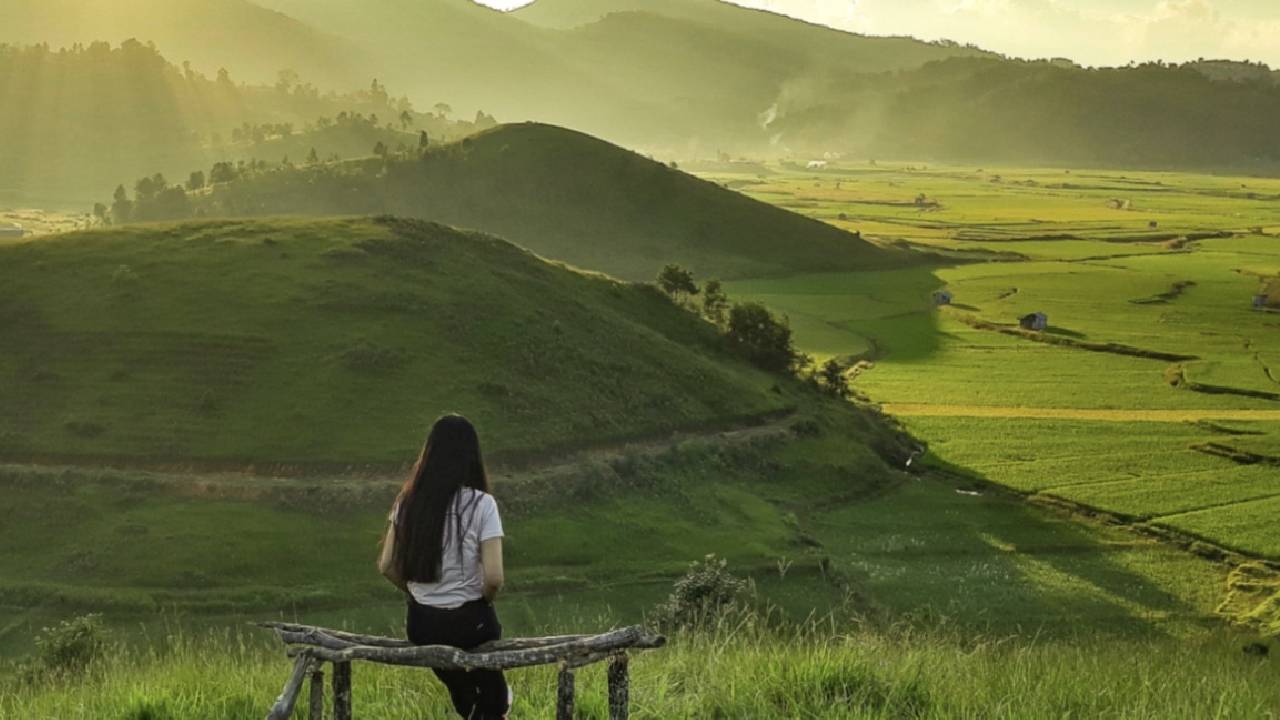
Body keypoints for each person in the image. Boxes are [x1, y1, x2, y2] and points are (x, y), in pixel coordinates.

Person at [379, 414, 510, 719]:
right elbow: (494, 578)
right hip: (471, 623)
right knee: (496, 700)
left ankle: (475, 705)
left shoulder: (408, 501)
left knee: (466, 690)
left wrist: (415, 593)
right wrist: (483, 601)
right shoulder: (481, 504)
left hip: (422, 625)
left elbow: (387, 565)